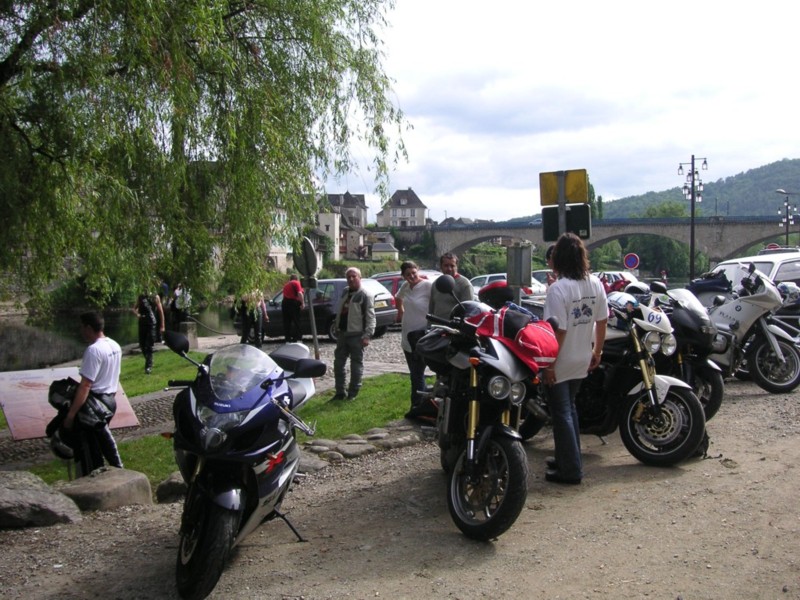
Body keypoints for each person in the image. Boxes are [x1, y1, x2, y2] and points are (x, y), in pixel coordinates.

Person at [542, 233, 607, 485]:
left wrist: (548, 366)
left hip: (561, 359)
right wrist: (597, 351)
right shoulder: (596, 284)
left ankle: (570, 471)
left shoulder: (558, 289)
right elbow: (601, 321)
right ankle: (568, 459)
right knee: (570, 409)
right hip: (582, 355)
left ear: (558, 258)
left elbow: (558, 331)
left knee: (562, 414)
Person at [63, 311, 124, 476]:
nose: (80, 331)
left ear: (89, 327)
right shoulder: (115, 345)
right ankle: (109, 474)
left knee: (91, 448)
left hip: (94, 406)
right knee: (100, 443)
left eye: (82, 327)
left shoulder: (94, 350)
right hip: (110, 402)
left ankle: (99, 478)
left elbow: (85, 385)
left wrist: (71, 415)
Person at [395, 261, 433, 419]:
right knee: (415, 373)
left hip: (422, 336)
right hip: (407, 337)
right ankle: (422, 403)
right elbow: (398, 298)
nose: (412, 276)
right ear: (403, 276)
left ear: (418, 271)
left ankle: (416, 406)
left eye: (414, 273)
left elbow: (438, 304)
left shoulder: (427, 286)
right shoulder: (405, 286)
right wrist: (400, 312)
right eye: (408, 274)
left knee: (417, 373)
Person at [332, 267, 376, 400]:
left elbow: (371, 317)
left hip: (357, 335)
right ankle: (340, 392)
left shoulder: (365, 294)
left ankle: (353, 393)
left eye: (354, 276)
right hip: (342, 334)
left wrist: (367, 335)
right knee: (338, 364)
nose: (351, 279)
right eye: (348, 277)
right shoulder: (345, 291)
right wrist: (336, 325)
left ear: (359, 277)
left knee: (356, 365)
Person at [428, 252, 475, 320]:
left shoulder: (464, 284)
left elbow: (468, 311)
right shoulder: (436, 284)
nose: (449, 269)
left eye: (452, 266)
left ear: (456, 267)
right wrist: (429, 327)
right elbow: (431, 309)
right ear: (441, 266)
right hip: (436, 327)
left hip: (453, 328)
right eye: (446, 265)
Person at [133, 291, 164, 374]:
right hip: (142, 322)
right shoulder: (141, 296)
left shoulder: (155, 296)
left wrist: (162, 326)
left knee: (148, 345)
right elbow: (134, 309)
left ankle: (148, 367)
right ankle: (149, 360)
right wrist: (137, 314)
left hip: (151, 323)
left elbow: (160, 311)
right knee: (142, 345)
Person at [281, 274, 305, 342]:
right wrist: (302, 303)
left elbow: (284, 296)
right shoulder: (296, 283)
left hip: (285, 303)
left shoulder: (286, 285)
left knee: (287, 323)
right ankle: (297, 338)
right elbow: (300, 293)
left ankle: (287, 339)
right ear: (296, 278)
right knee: (297, 321)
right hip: (293, 303)